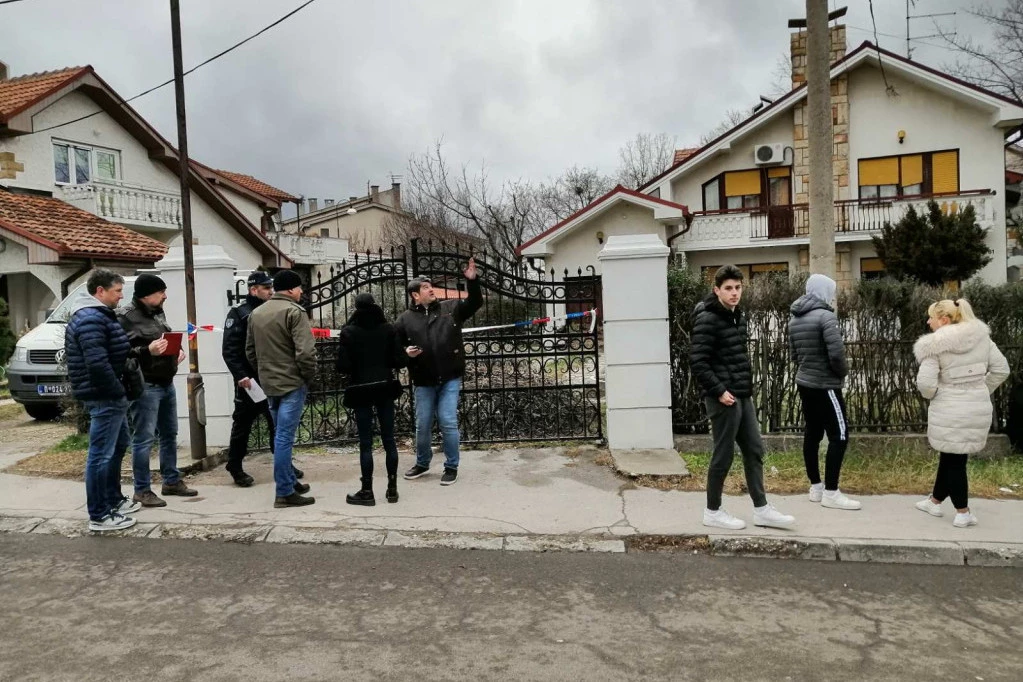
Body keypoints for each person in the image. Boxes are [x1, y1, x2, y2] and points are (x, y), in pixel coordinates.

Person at [690, 265, 795, 531]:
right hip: (723, 398)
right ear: (717, 290)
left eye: (738, 287)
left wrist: (742, 389)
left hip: (741, 394)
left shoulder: (738, 316)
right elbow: (698, 361)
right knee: (723, 454)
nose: (734, 293)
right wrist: (719, 391)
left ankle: (761, 509)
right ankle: (712, 511)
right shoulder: (708, 318)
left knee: (754, 450)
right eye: (728, 288)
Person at [913, 298, 1009, 528]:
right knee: (952, 456)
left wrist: (937, 394)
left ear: (944, 320)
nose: (928, 322)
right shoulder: (982, 338)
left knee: (955, 461)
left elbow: (926, 384)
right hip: (976, 407)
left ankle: (962, 512)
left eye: (931, 318)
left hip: (949, 408)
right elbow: (1001, 369)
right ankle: (934, 502)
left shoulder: (934, 345)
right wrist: (981, 390)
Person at [65, 269, 140, 532]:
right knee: (101, 455)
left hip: (108, 393)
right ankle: (99, 515)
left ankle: (113, 500)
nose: (121, 296)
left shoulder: (98, 315)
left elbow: (112, 351)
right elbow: (97, 363)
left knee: (117, 446)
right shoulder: (90, 319)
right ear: (100, 291)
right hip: (104, 395)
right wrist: (117, 391)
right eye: (117, 291)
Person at [396, 257, 482, 486]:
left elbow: (474, 302)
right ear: (415, 295)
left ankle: (451, 466)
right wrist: (406, 353)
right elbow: (394, 347)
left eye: (431, 286)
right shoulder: (405, 319)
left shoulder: (450, 309)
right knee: (423, 424)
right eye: (425, 287)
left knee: (448, 420)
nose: (431, 289)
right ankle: (422, 463)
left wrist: (472, 282)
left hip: (450, 377)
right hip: (423, 380)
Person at [118, 274, 196, 508]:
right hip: (145, 385)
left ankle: (171, 480)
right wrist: (147, 351)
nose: (165, 296)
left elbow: (162, 338)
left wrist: (175, 352)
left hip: (165, 382)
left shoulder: (157, 312)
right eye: (161, 292)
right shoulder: (125, 317)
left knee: (169, 433)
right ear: (146, 294)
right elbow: (121, 353)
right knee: (144, 439)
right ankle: (142, 490)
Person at [221, 270, 304, 487]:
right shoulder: (240, 314)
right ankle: (235, 465)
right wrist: (241, 375)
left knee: (277, 425)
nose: (270, 292)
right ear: (253, 290)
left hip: (270, 378)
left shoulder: (270, 310)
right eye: (266, 288)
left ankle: (284, 466)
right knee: (243, 425)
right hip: (249, 381)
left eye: (271, 288)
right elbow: (230, 350)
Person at [788, 273, 861, 511]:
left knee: (813, 433)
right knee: (840, 435)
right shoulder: (826, 317)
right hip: (826, 384)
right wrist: (842, 374)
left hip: (805, 382)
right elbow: (837, 354)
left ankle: (816, 488)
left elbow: (794, 356)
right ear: (824, 292)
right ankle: (831, 492)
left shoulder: (794, 318)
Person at [246, 269, 317, 507]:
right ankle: (284, 492)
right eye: (299, 287)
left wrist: (264, 373)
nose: (301, 292)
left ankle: (290, 481)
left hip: (269, 383)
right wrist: (307, 376)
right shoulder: (294, 312)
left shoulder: (256, 313)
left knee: (279, 435)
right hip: (292, 382)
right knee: (284, 437)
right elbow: (305, 352)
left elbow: (250, 351)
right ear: (291, 289)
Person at [336, 293, 405, 505]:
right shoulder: (388, 329)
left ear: (355, 307)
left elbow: (343, 366)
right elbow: (399, 360)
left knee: (365, 443)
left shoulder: (349, 332)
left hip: (361, 389)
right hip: (385, 386)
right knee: (389, 439)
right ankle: (392, 489)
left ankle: (367, 491)